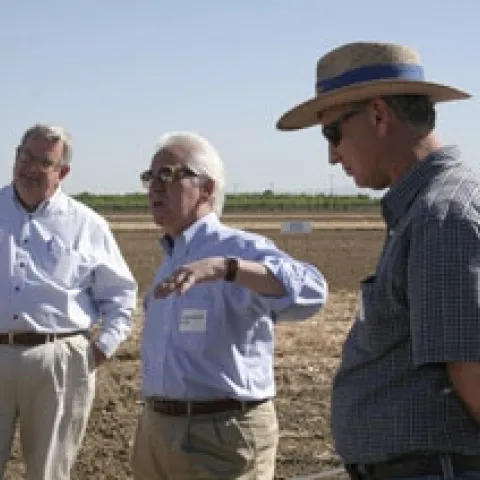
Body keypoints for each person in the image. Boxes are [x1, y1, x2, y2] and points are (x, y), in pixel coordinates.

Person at [276, 41, 480, 479]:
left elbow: (472, 371)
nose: (332, 155)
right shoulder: (424, 210)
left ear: (378, 116)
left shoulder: (440, 215)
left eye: (333, 134)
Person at [130, 131, 328, 479]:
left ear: (206, 189)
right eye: (150, 177)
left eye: (167, 175)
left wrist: (228, 268)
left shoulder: (238, 247)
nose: (154, 187)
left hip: (221, 436)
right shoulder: (171, 258)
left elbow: (312, 291)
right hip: (157, 432)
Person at [0, 124, 137, 479]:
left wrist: (98, 350)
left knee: (49, 472)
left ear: (62, 172)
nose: (29, 167)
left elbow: (121, 295)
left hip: (59, 359)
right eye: (24, 156)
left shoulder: (87, 224)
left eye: (43, 161)